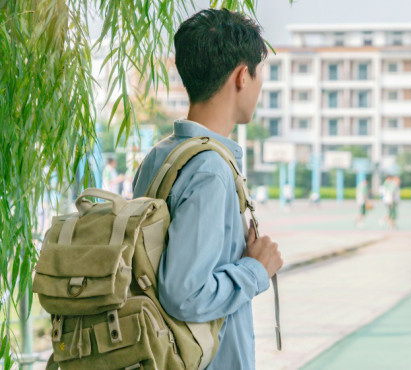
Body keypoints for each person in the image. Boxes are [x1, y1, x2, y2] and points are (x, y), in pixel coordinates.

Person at [132, 9, 283, 370]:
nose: (260, 85)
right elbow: (184, 293)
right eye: (259, 73)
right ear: (242, 76)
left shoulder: (159, 156)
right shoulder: (211, 170)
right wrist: (255, 269)